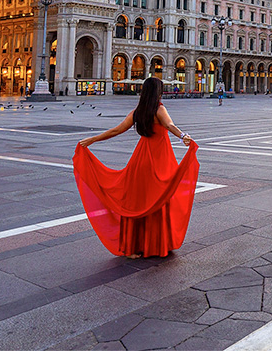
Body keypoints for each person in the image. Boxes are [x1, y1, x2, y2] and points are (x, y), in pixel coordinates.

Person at [73, 77, 199, 258]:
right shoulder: (160, 109)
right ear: (158, 92)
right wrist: (183, 136)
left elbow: (116, 130)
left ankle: (132, 248)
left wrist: (92, 139)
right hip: (160, 159)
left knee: (137, 200)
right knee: (159, 199)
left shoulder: (137, 112)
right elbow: (170, 125)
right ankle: (157, 244)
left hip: (140, 160)